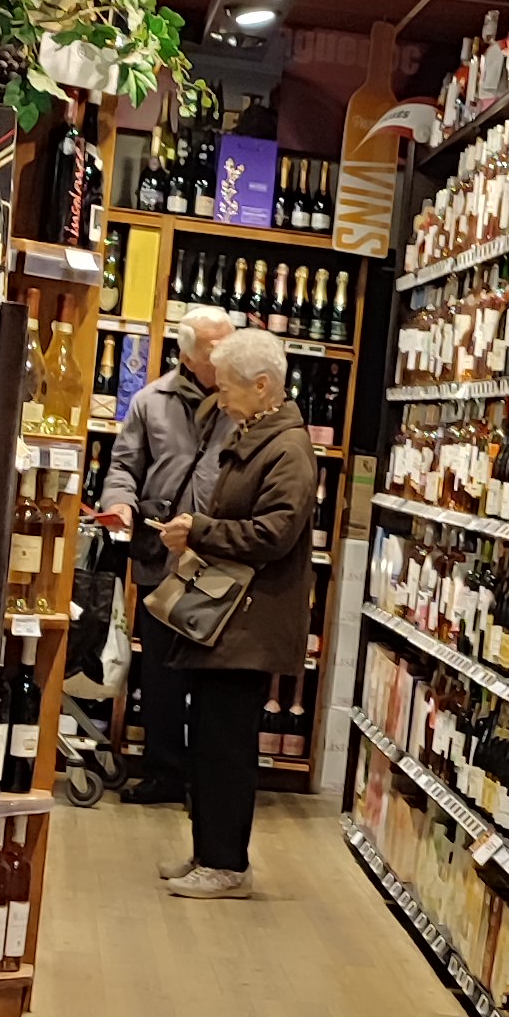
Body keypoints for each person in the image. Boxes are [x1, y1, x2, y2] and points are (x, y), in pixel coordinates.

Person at [155, 326, 315, 899]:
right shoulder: (256, 435)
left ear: (262, 385)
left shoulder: (288, 450)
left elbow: (274, 534)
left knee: (226, 747)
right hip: (231, 619)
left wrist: (201, 530)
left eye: (226, 388)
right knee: (209, 740)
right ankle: (210, 852)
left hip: (251, 623)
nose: (219, 398)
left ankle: (227, 866)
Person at [95, 301, 228, 802]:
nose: (227, 355)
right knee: (161, 675)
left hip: (220, 560)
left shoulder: (244, 405)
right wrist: (119, 504)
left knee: (214, 677)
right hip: (161, 560)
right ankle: (164, 774)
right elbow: (123, 466)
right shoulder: (150, 401)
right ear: (187, 355)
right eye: (216, 348)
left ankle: (207, 783)